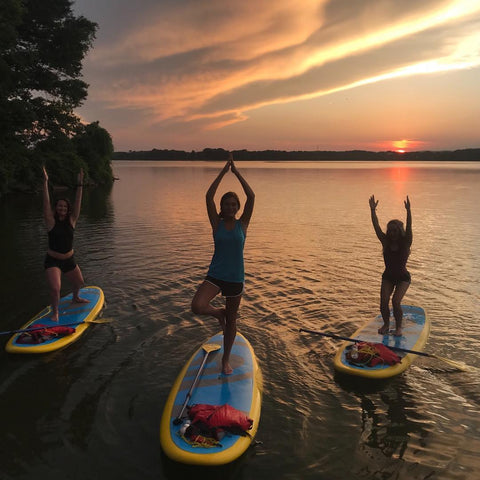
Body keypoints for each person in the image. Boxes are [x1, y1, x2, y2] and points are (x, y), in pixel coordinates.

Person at [191, 153, 255, 374]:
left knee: (233, 321)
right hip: (216, 275)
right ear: (222, 206)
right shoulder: (216, 223)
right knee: (197, 306)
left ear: (237, 207)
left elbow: (252, 196)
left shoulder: (242, 224)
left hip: (235, 278)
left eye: (233, 204)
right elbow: (208, 196)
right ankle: (217, 313)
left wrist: (236, 172)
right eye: (226, 204)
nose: (229, 207)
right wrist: (223, 171)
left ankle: (225, 360)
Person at [42, 166, 88, 322]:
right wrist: (45, 182)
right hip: (53, 260)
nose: (62, 208)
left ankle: (76, 298)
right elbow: (46, 203)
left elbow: (78, 202)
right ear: (56, 208)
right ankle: (55, 312)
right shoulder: (50, 221)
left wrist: (80, 184)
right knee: (56, 288)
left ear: (68, 209)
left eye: (64, 206)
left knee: (79, 282)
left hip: (69, 259)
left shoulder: (72, 220)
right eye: (59, 205)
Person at [369, 195, 412, 336]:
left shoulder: (405, 243)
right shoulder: (386, 242)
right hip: (388, 276)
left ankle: (398, 327)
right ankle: (386, 325)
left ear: (399, 231)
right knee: (383, 302)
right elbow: (376, 227)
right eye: (390, 230)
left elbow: (409, 227)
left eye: (395, 230)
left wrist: (408, 211)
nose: (392, 233)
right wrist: (373, 210)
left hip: (402, 278)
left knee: (395, 301)